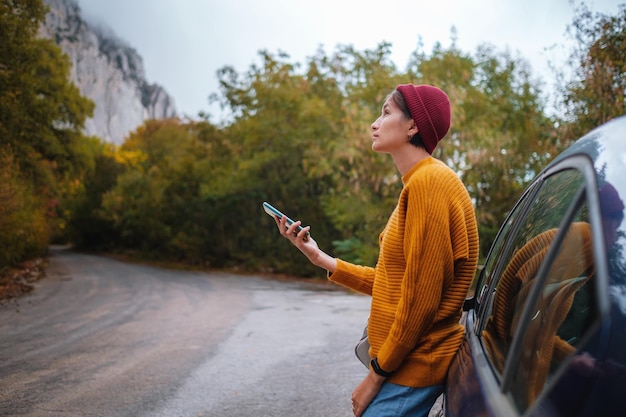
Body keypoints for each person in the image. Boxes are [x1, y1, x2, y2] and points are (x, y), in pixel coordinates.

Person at [273, 84, 479, 417]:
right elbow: (394, 283)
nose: (374, 123)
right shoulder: (419, 183)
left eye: (385, 113)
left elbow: (419, 302)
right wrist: (317, 255)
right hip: (404, 369)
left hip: (410, 370)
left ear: (413, 126)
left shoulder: (429, 184)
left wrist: (375, 376)